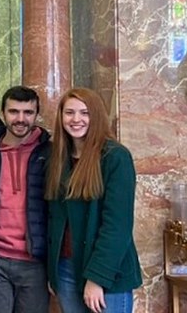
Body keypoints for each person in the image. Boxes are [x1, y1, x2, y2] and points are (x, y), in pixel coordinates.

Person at [45, 88, 140, 313]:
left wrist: (98, 278)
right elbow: (56, 219)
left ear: (96, 116)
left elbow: (117, 227)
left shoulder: (115, 157)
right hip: (66, 267)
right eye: (69, 113)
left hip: (107, 271)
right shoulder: (58, 158)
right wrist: (53, 272)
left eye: (84, 113)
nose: (76, 119)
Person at [0, 86, 50, 313]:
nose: (21, 119)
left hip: (34, 260)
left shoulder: (51, 153)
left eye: (28, 112)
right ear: (3, 113)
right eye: (14, 112)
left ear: (36, 115)